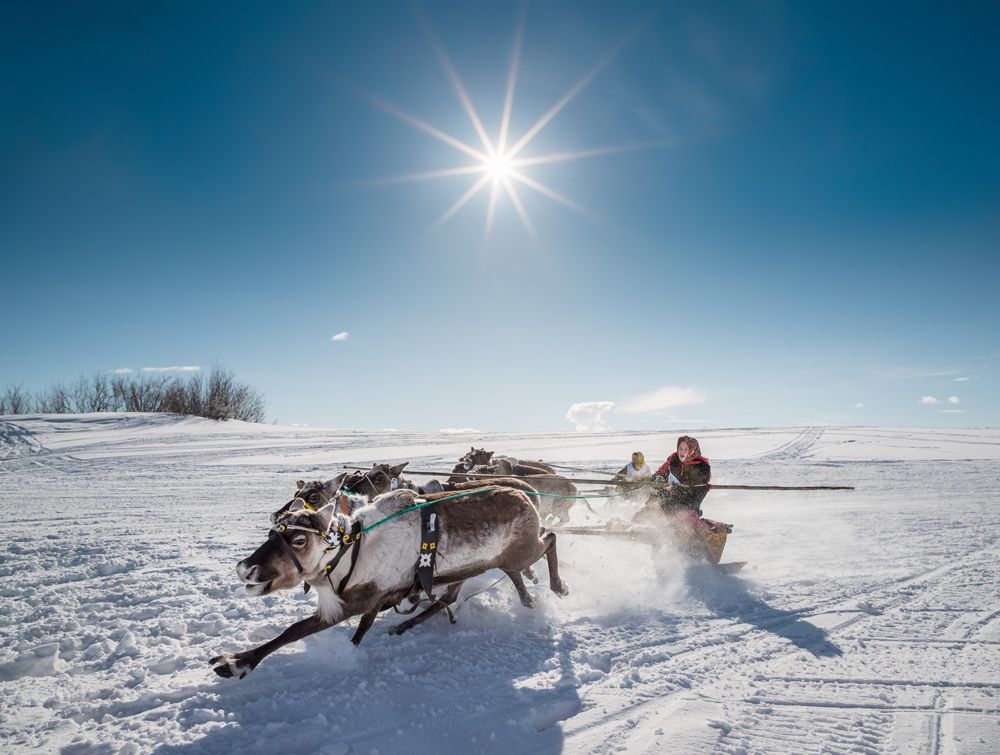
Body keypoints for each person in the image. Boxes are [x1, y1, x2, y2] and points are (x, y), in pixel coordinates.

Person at [648, 435, 711, 515]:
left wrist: (673, 488)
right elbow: (661, 472)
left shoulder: (702, 467)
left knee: (681, 519)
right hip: (667, 498)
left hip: (688, 504)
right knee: (649, 508)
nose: (682, 451)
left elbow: (695, 489)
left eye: (686, 449)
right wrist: (656, 479)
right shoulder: (673, 459)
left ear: (692, 450)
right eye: (680, 448)